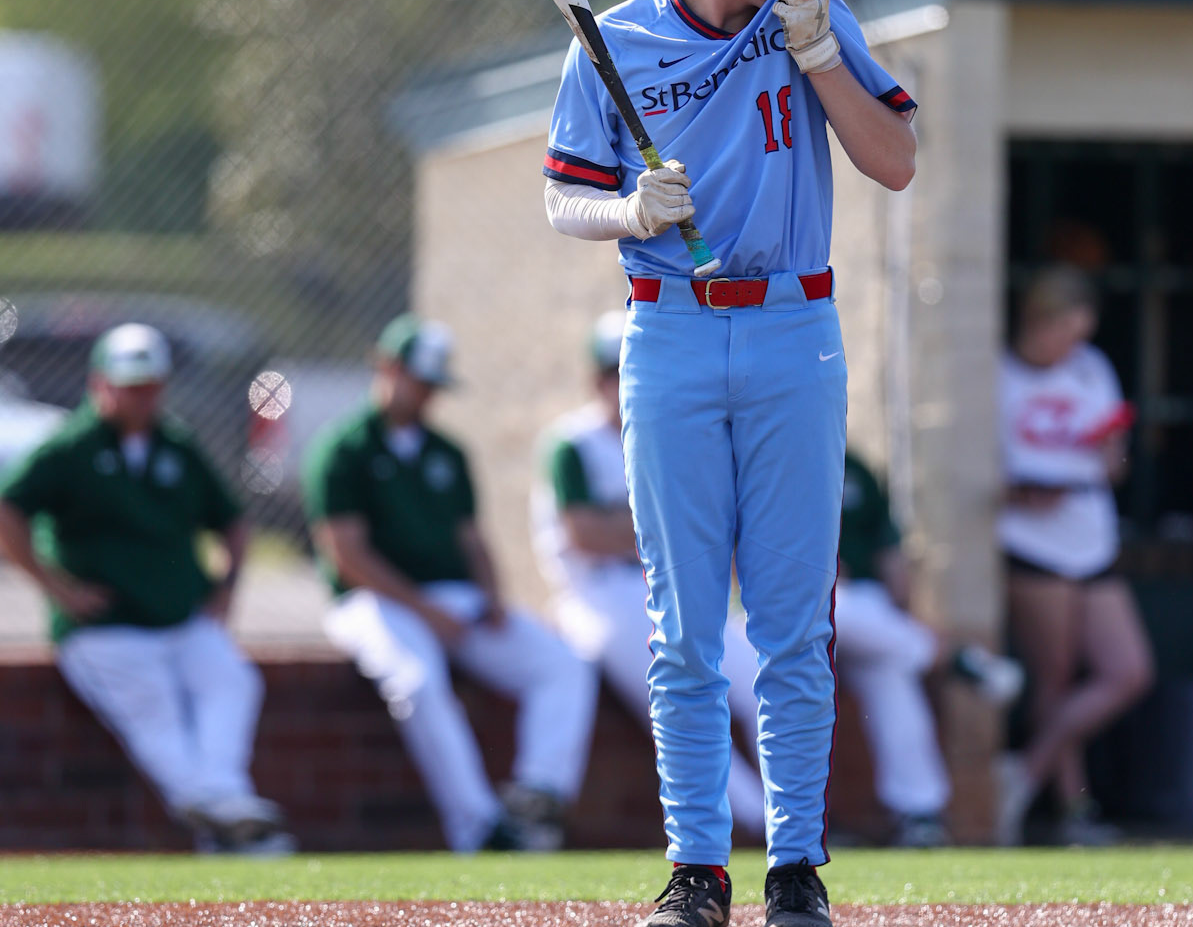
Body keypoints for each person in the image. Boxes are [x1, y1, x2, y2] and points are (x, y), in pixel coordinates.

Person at [541, 0, 917, 927]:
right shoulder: (613, 40)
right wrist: (626, 210)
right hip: (668, 330)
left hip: (796, 325)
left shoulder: (812, 15)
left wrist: (823, 60)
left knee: (795, 621)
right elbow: (563, 195)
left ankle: (796, 867)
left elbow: (895, 159)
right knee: (683, 624)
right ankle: (695, 867)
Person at [303, 314, 597, 853]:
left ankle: (538, 795)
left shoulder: (447, 451)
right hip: (373, 602)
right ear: (387, 368)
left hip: (453, 599)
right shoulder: (343, 447)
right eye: (419, 380)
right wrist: (424, 610)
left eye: (433, 384)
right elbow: (347, 557)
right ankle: (479, 828)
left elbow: (472, 539)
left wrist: (493, 595)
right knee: (417, 683)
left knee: (562, 664)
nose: (427, 395)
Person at [0, 323, 292, 854]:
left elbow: (230, 518)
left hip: (180, 616)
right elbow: (8, 511)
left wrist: (226, 588)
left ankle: (221, 806)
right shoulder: (70, 446)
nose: (142, 398)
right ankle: (228, 816)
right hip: (106, 626)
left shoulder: (176, 443)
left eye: (151, 386)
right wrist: (57, 589)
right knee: (154, 710)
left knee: (232, 680)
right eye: (130, 386)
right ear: (100, 383)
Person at [532, 310, 768, 840]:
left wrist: (648, 527)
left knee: (757, 677)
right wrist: (665, 526)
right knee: (677, 690)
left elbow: (713, 527)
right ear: (597, 380)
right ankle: (750, 820)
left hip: (669, 585)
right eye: (616, 371)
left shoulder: (674, 440)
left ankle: (792, 817)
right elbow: (585, 534)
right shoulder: (572, 443)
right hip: (596, 595)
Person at [994, 266, 1155, 845]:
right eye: (1064, 330)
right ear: (1037, 321)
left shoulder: (1091, 368)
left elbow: (1114, 464)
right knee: (1055, 677)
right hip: (1031, 541)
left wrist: (1113, 452)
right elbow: (978, 471)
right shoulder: (999, 374)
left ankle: (1021, 773)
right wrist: (1021, 491)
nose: (1072, 345)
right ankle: (1074, 811)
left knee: (1127, 671)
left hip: (1091, 534)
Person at [834, 447, 1024, 846]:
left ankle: (920, 814)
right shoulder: (760, 456)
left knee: (891, 674)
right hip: (781, 608)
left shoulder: (853, 465)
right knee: (832, 602)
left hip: (865, 612)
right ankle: (954, 659)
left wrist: (904, 608)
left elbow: (889, 554)